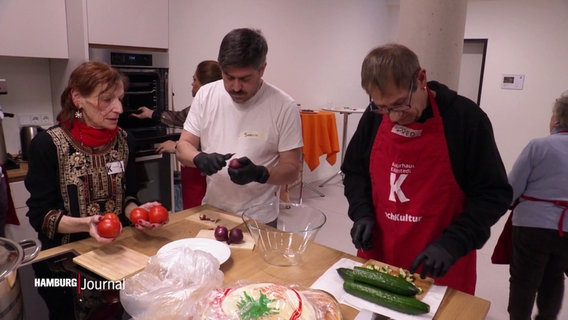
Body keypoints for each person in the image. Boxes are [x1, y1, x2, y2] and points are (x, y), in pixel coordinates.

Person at [342, 43, 512, 294]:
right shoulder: (375, 117)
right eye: (383, 107)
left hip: (440, 261)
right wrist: (361, 212)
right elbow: (355, 172)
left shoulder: (465, 119)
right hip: (380, 253)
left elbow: (493, 195)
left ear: (421, 78)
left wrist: (454, 243)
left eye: (400, 104)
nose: (393, 117)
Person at [25, 61, 167, 251]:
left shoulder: (125, 141)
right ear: (77, 98)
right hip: (65, 258)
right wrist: (86, 224)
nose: (119, 109)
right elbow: (41, 215)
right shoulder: (47, 145)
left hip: (117, 249)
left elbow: (128, 196)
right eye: (107, 100)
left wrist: (138, 214)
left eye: (120, 99)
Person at [175, 28, 303, 223]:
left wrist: (260, 174)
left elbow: (292, 169)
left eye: (245, 79)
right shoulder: (206, 95)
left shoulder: (284, 106)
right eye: (228, 77)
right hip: (212, 211)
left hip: (260, 219)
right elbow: (183, 146)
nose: (235, 87)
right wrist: (199, 158)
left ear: (262, 69)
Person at [505, 91, 568, 320]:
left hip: (532, 226)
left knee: (524, 281)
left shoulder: (539, 146)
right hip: (567, 230)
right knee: (554, 277)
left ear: (556, 119)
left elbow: (512, 188)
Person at [131, 60, 223, 208]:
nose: (192, 84)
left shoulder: (210, 107)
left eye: (194, 79)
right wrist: (151, 113)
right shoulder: (205, 105)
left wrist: (176, 147)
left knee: (200, 214)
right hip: (200, 175)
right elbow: (180, 117)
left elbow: (208, 149)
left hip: (202, 176)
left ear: (205, 85)